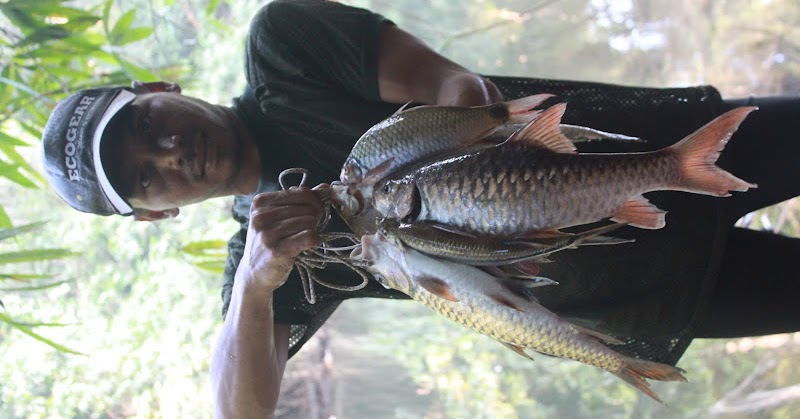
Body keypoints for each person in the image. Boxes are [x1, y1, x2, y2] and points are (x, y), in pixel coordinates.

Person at [39, 0, 799, 416]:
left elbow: (453, 87)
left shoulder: (283, 50)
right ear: (155, 216)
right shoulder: (274, 260)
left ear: (159, 91)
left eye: (144, 127)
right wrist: (256, 284)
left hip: (641, 147)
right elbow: (238, 410)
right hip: (650, 295)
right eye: (146, 179)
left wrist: (448, 152)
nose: (170, 153)